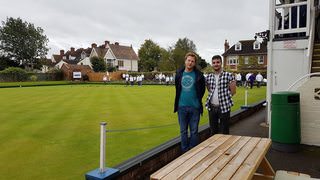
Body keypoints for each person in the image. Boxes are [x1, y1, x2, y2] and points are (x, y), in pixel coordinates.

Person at [174, 52, 205, 152]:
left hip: (195, 107)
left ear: (194, 63)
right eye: (189, 60)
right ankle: (184, 152)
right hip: (181, 107)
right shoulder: (179, 74)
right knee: (183, 131)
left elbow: (202, 90)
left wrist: (196, 100)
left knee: (194, 131)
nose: (190, 63)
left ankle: (193, 152)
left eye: (192, 61)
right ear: (185, 61)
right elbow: (177, 88)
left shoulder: (199, 75)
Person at [205, 55, 236, 135]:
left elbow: (233, 91)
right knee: (213, 131)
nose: (216, 64)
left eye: (218, 62)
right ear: (212, 64)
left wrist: (225, 98)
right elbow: (209, 89)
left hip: (224, 107)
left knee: (224, 131)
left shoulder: (228, 75)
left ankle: (225, 147)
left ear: (221, 63)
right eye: (214, 63)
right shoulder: (208, 76)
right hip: (212, 107)